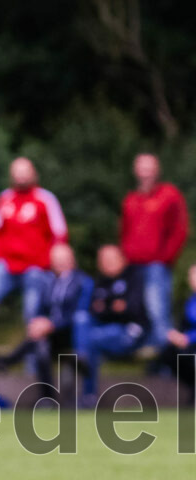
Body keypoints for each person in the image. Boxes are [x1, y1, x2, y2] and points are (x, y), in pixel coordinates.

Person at [0, 157, 68, 365]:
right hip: (6, 267)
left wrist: (45, 263)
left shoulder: (45, 199)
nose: (21, 176)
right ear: (11, 175)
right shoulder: (4, 199)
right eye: (17, 171)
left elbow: (59, 234)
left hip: (35, 269)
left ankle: (33, 369)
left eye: (25, 171)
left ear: (33, 173)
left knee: (31, 317)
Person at [0, 243, 93, 398]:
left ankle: (9, 360)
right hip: (49, 336)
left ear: (72, 260)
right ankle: (48, 398)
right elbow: (40, 309)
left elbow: (81, 312)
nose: (60, 263)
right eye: (56, 259)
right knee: (40, 346)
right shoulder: (48, 282)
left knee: (44, 337)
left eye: (64, 259)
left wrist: (52, 324)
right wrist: (37, 323)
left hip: (72, 335)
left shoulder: (83, 282)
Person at [120, 153, 189, 348]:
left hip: (157, 265)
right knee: (139, 311)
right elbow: (124, 231)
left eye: (149, 168)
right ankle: (152, 355)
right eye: (142, 167)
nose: (145, 172)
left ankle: (168, 361)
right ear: (135, 170)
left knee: (158, 311)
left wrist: (166, 256)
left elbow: (179, 228)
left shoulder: (169, 195)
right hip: (133, 265)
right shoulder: (131, 199)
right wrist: (125, 254)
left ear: (157, 170)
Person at [77, 244, 148, 403]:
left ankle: (87, 386)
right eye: (102, 260)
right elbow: (95, 311)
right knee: (82, 322)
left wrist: (108, 308)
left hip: (131, 333)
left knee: (91, 340)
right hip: (105, 333)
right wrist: (113, 307)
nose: (106, 263)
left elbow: (131, 309)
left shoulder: (134, 276)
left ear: (122, 259)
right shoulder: (100, 282)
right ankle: (89, 396)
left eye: (110, 259)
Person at [158, 263, 196, 403]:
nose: (191, 279)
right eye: (190, 275)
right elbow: (184, 326)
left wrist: (189, 338)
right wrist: (176, 336)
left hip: (192, 344)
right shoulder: (190, 301)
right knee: (168, 354)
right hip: (189, 345)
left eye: (194, 275)